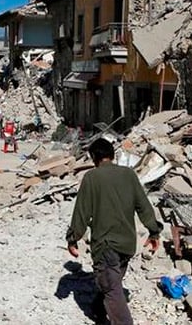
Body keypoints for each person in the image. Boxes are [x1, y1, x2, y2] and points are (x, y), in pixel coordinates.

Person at [66, 138, 162, 325]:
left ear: (94, 158)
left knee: (110, 287)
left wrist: (72, 239)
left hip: (106, 244)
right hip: (127, 244)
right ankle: (97, 311)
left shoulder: (92, 177)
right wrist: (154, 232)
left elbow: (81, 213)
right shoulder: (129, 175)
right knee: (111, 281)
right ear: (112, 155)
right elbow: (144, 206)